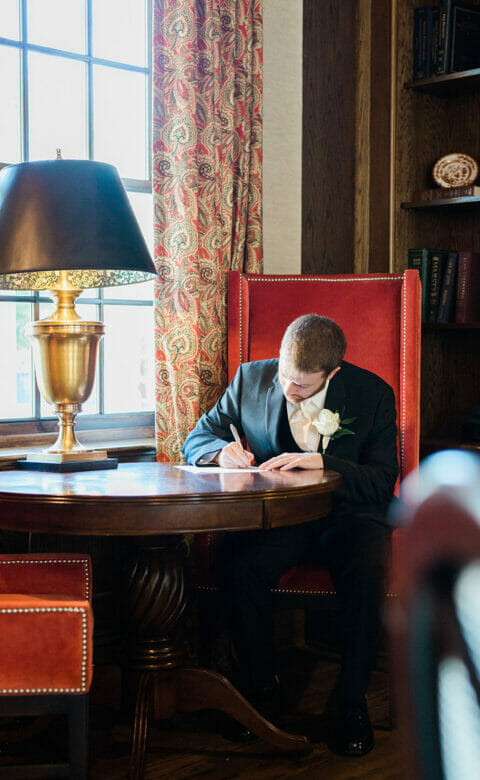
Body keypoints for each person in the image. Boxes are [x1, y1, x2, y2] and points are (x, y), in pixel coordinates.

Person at [183, 314, 398, 756]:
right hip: (281, 517)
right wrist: (218, 452)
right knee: (239, 566)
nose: (287, 390)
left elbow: (381, 480)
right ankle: (262, 691)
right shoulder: (250, 378)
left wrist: (327, 464)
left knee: (367, 570)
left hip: (351, 516)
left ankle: (351, 702)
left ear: (332, 373)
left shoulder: (373, 393)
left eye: (300, 385)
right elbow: (197, 438)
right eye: (283, 376)